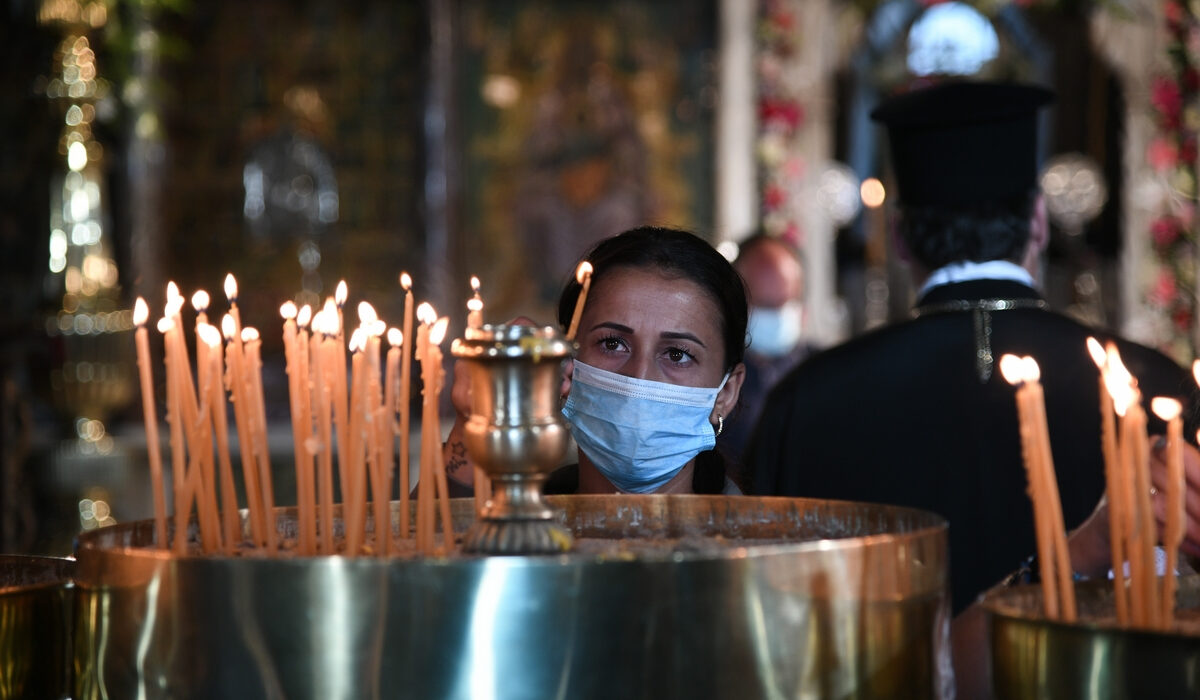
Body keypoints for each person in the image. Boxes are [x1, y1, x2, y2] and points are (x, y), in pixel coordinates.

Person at [745, 81, 1195, 615]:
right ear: (1038, 222)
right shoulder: (1153, 384)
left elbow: (767, 602)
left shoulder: (809, 398)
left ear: (900, 236)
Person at [445, 225, 747, 495]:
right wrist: (474, 424)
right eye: (612, 343)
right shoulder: (517, 533)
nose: (638, 379)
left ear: (726, 392)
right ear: (564, 364)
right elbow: (430, 547)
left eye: (677, 354)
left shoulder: (757, 548)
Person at [718, 232, 818, 477]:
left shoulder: (827, 374)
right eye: (763, 305)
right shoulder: (712, 378)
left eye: (782, 305)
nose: (774, 316)